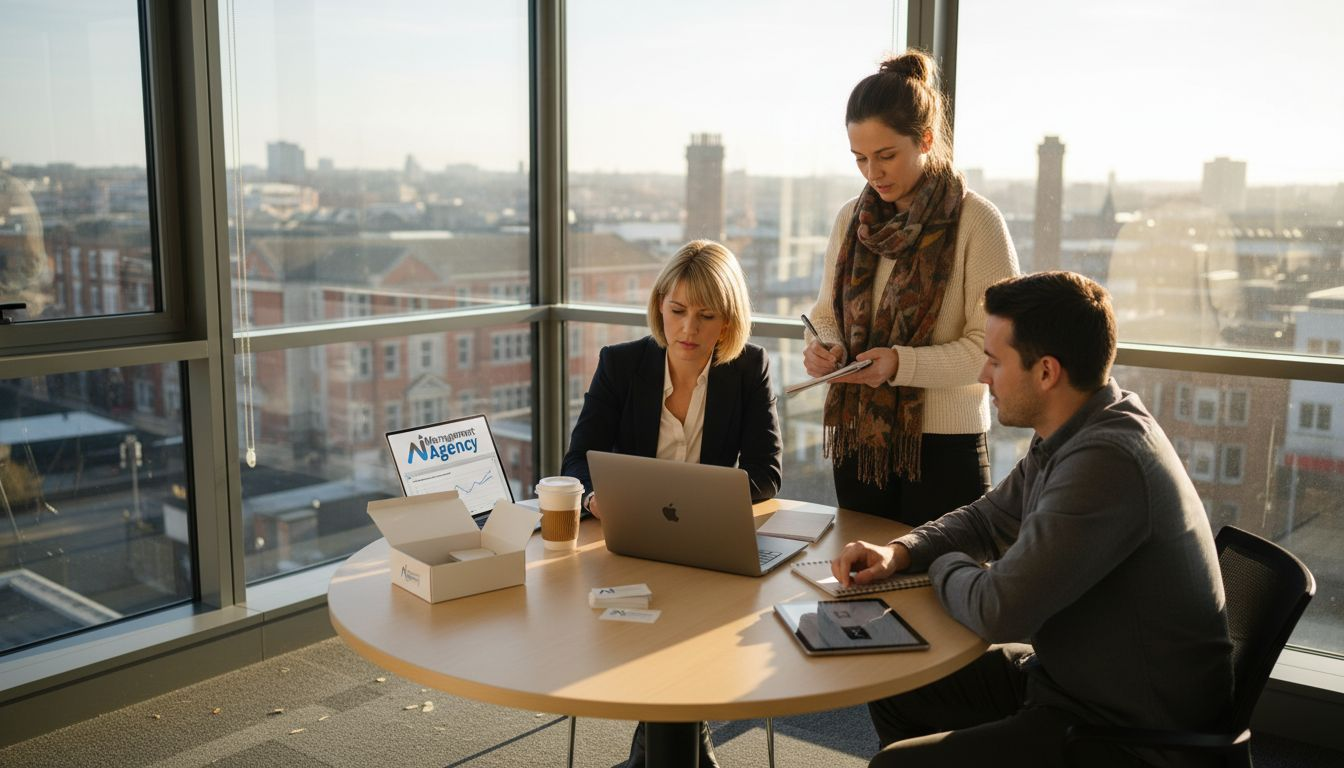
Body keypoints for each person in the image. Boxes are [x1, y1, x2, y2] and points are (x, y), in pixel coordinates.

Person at [832, 272, 1234, 768]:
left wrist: (941, 566)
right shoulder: (1076, 429)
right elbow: (988, 519)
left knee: (896, 766)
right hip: (1073, 679)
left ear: (1046, 372)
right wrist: (902, 551)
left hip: (1127, 732)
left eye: (994, 361)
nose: (983, 376)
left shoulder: (1107, 462)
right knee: (899, 687)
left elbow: (1000, 609)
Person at [561, 239, 782, 768]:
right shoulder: (621, 365)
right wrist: (595, 497)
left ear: (727, 322)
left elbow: (766, 473)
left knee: (688, 624)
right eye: (678, 311)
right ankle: (681, 754)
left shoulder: (748, 368)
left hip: (707, 544)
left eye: (706, 316)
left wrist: (704, 503)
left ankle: (662, 755)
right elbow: (576, 461)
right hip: (631, 543)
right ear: (660, 304)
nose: (689, 329)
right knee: (660, 627)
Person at [805, 50, 1019, 526]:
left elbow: (993, 350)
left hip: (945, 451)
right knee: (858, 587)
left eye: (886, 156)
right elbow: (825, 313)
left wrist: (901, 364)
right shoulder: (851, 218)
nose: (872, 173)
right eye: (860, 159)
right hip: (861, 441)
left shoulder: (976, 222)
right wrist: (824, 346)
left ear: (924, 139)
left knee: (938, 591)